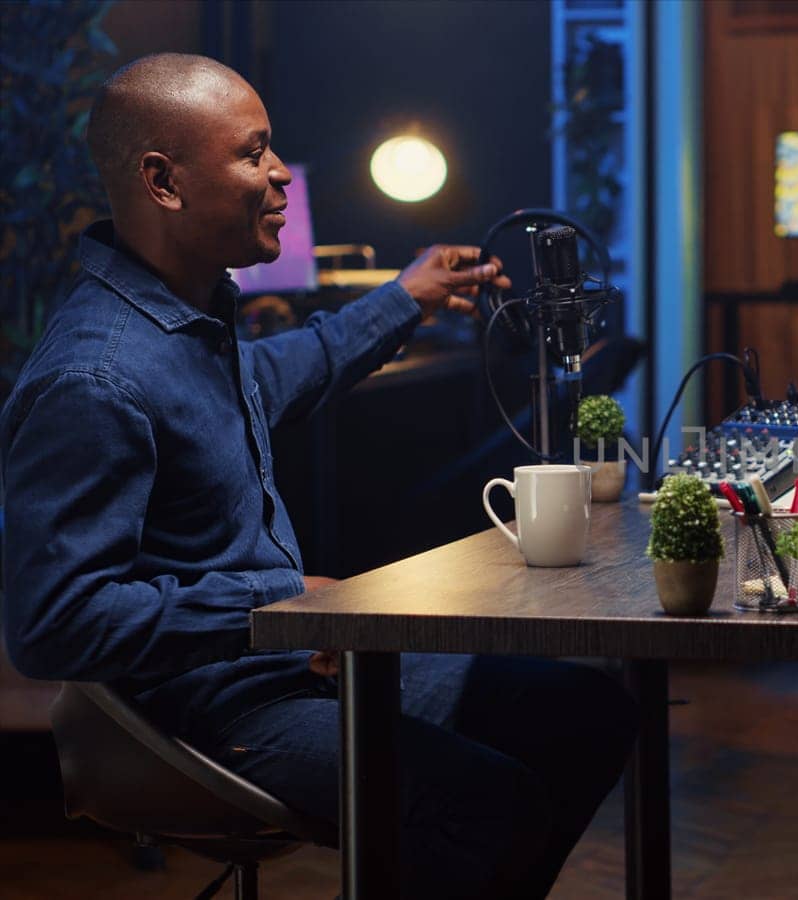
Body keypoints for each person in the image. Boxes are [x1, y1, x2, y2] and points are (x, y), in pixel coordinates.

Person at [0, 53, 636, 898]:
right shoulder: (95, 377)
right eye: (252, 154)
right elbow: (54, 625)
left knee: (583, 713)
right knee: (486, 805)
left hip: (286, 661)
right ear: (163, 181)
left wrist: (407, 295)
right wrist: (276, 607)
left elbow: (282, 371)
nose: (279, 177)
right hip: (207, 707)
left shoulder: (185, 325)